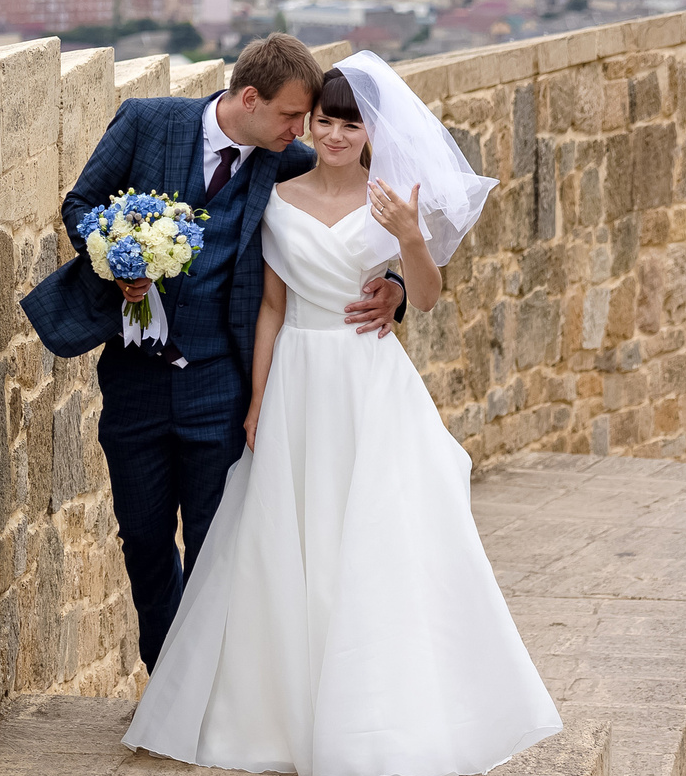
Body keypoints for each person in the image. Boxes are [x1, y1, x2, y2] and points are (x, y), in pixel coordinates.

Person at [122, 55, 559, 776]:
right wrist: (260, 399)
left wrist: (409, 242)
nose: (329, 132)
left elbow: (423, 297)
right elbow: (270, 305)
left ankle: (374, 712)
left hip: (365, 378)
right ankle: (278, 710)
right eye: (322, 119)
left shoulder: (391, 200)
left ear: (370, 132)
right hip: (296, 372)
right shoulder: (278, 190)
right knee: (291, 535)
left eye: (347, 123)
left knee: (372, 538)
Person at [22, 34, 405, 671]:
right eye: (291, 116)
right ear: (249, 99)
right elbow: (81, 203)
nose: (302, 131)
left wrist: (394, 288)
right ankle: (163, 674)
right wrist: (117, 257)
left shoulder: (284, 161)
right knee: (142, 536)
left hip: (221, 379)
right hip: (135, 373)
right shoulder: (148, 122)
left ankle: (200, 694)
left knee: (213, 542)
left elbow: (353, 218)